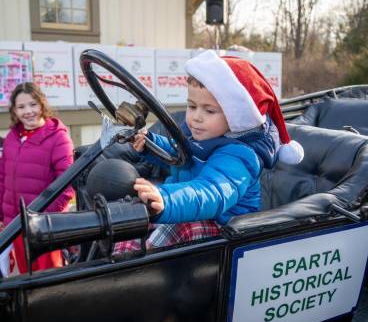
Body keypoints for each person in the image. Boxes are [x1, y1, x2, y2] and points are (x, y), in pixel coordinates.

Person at [114, 50, 304, 253]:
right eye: (192, 106)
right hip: (187, 208)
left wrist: (166, 199)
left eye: (209, 110)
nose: (196, 117)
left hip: (225, 232)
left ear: (234, 116)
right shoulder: (199, 136)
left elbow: (210, 192)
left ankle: (133, 273)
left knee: (172, 229)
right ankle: (113, 256)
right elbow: (178, 154)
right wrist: (149, 143)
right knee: (131, 215)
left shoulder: (240, 156)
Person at [0, 82, 74, 274]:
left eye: (33, 104)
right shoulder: (12, 138)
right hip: (14, 225)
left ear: (42, 105)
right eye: (21, 107)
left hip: (43, 227)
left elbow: (67, 184)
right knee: (25, 278)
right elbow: (2, 178)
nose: (28, 111)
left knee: (48, 282)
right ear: (14, 111)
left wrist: (43, 218)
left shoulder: (58, 138)